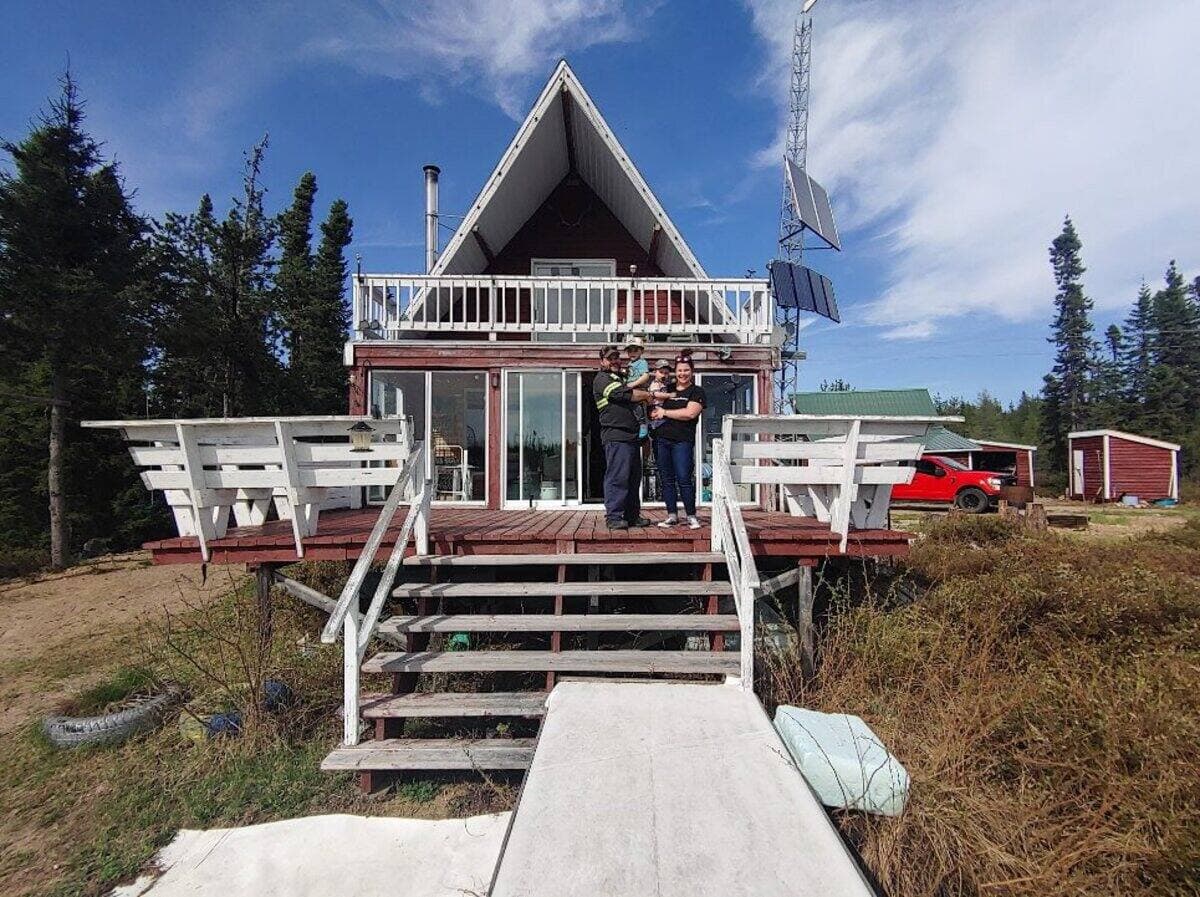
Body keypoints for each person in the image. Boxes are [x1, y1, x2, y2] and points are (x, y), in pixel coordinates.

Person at [593, 345, 652, 530]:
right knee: (618, 477)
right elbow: (623, 394)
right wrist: (647, 394)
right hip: (616, 436)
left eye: (617, 358)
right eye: (611, 358)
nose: (615, 361)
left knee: (634, 478)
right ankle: (614, 517)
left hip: (632, 436)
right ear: (602, 361)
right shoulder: (602, 379)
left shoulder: (623, 378)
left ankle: (632, 515)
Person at [649, 355, 705, 529]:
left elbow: (690, 413)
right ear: (675, 372)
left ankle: (691, 515)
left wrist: (665, 413)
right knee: (666, 479)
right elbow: (652, 405)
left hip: (683, 441)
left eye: (686, 370)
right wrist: (653, 410)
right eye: (680, 370)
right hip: (661, 439)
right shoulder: (667, 388)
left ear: (692, 372)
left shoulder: (697, 391)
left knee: (684, 478)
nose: (683, 373)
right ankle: (671, 515)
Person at [623, 336, 651, 443]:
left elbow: (645, 376)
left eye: (635, 350)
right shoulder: (630, 364)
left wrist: (633, 384)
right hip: (630, 389)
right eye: (630, 350)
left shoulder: (642, 362)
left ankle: (643, 425)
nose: (632, 353)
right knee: (631, 408)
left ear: (641, 351)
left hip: (639, 388)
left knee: (639, 408)